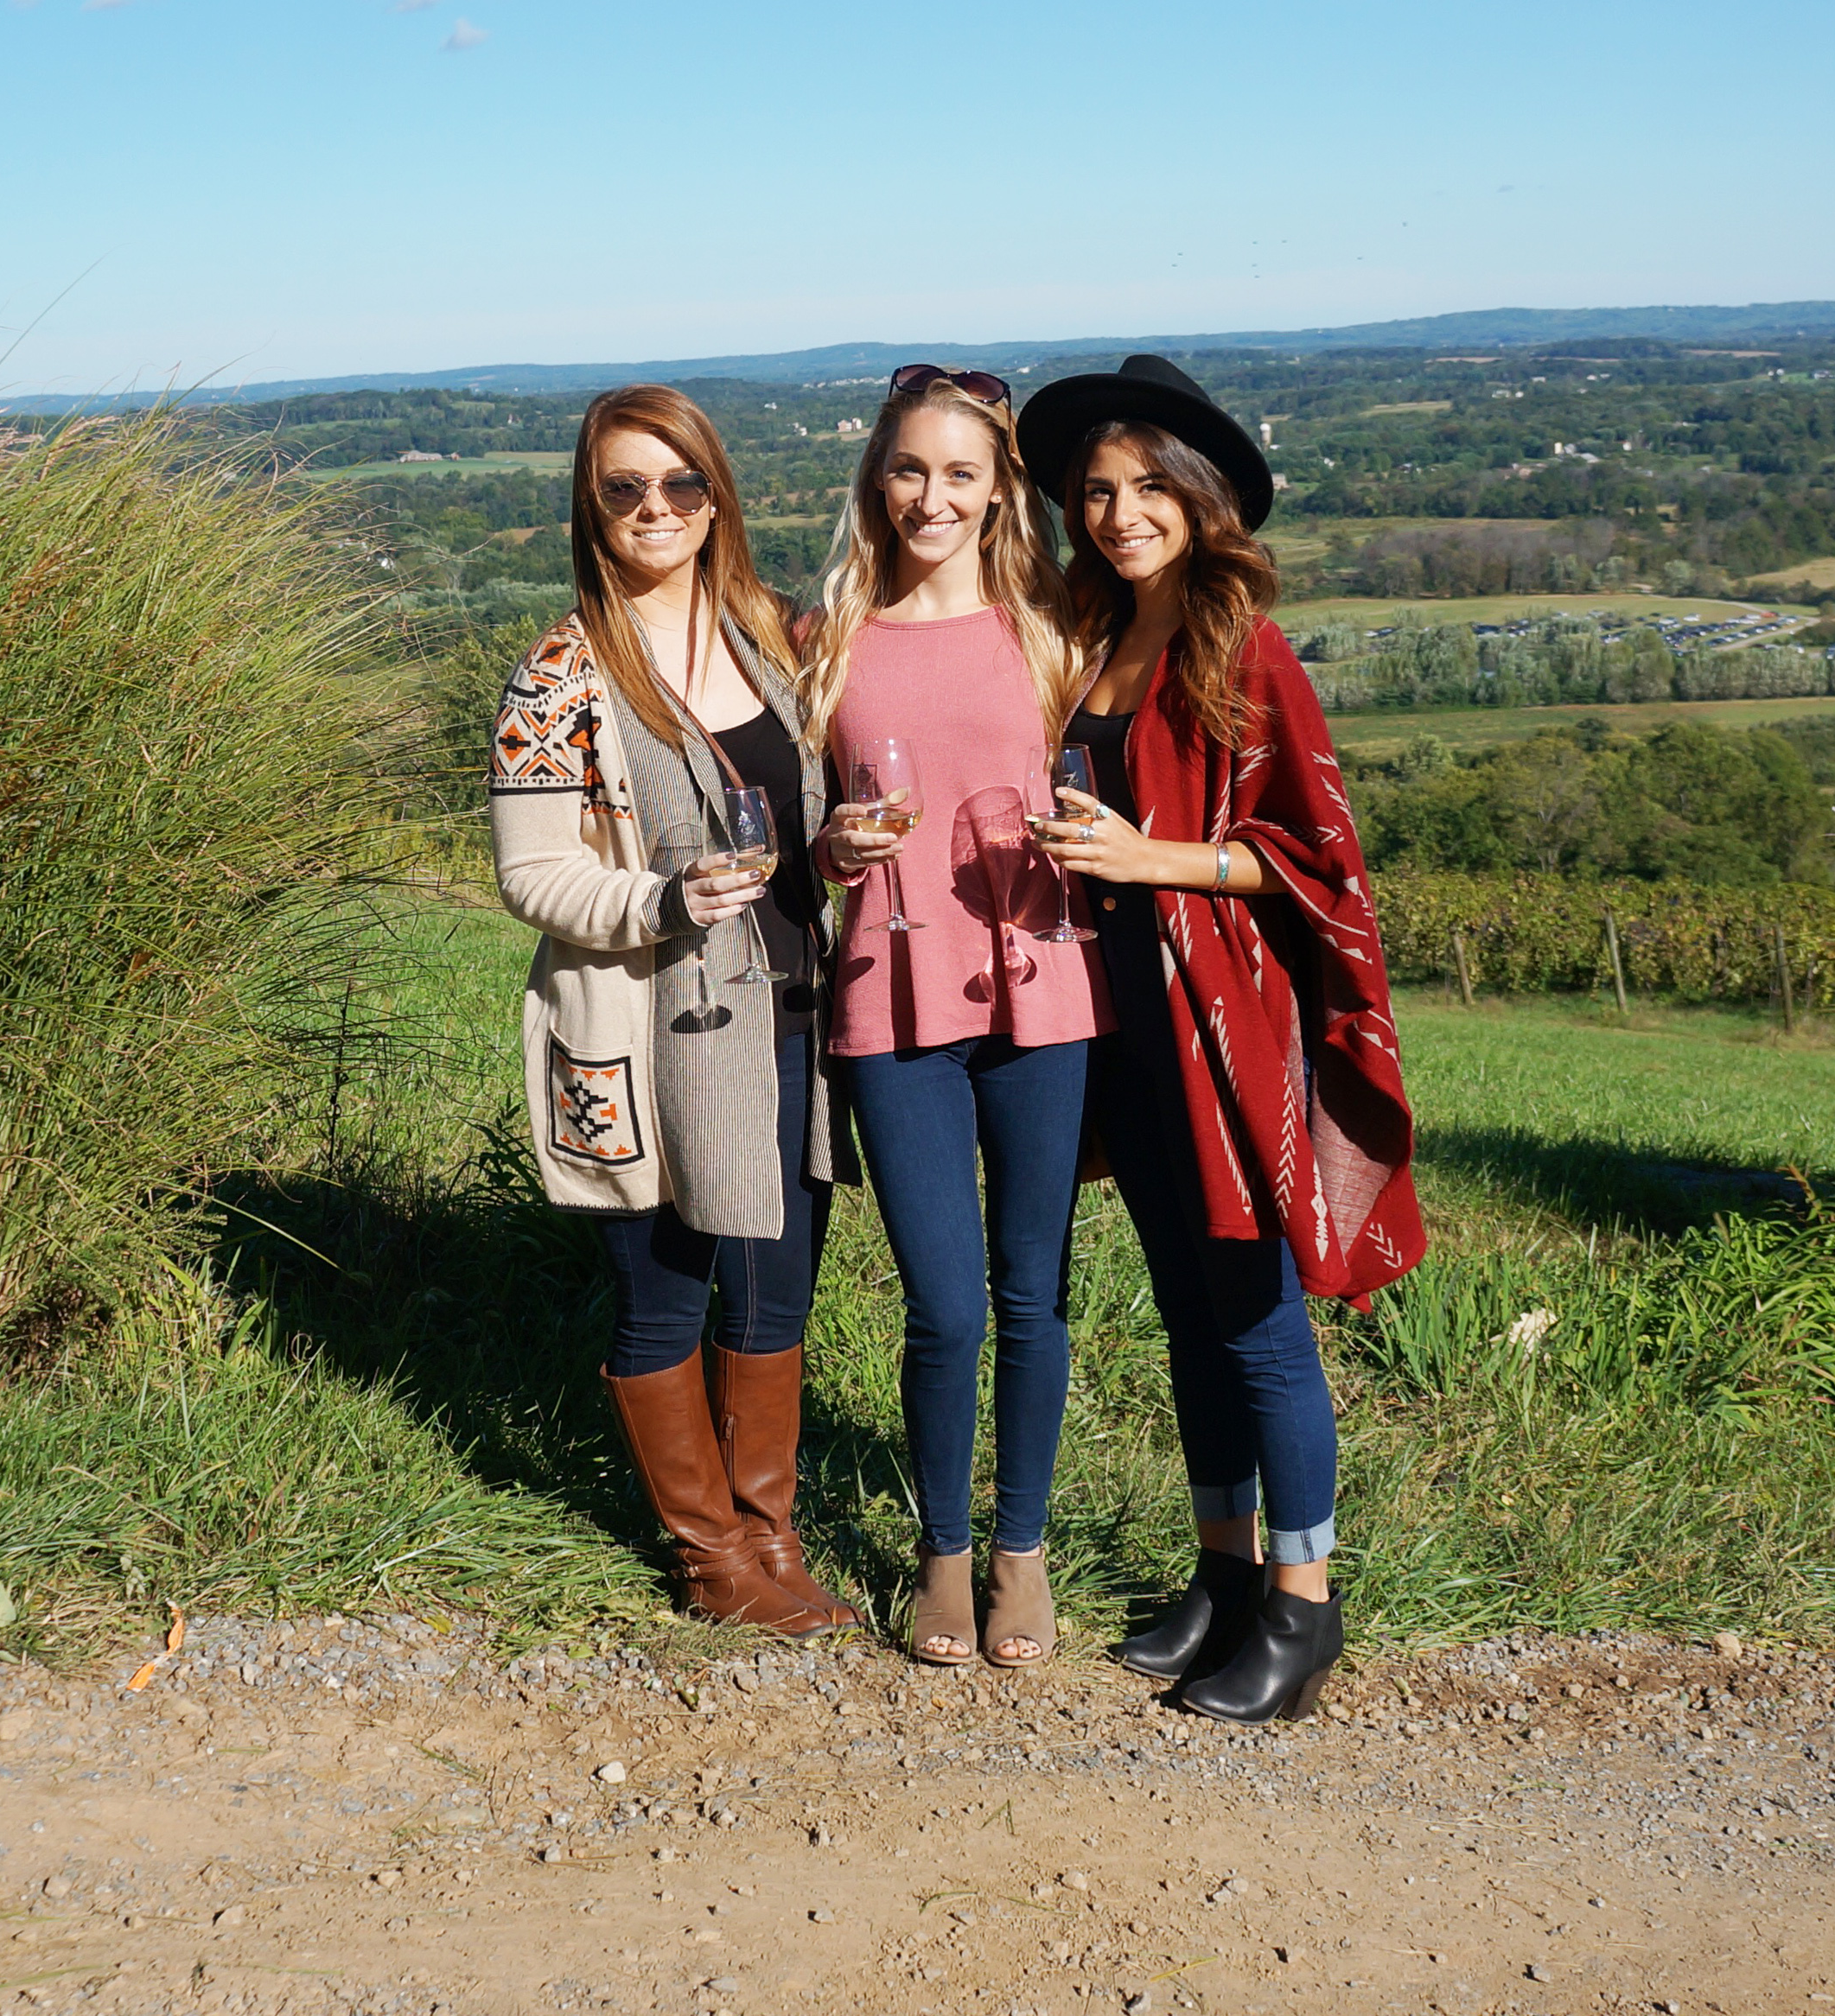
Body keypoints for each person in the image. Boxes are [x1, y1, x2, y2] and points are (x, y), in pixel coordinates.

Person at [1018, 353, 1425, 1723]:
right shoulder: (1087, 631)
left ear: (1198, 499)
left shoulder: (1237, 642)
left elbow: (1319, 860)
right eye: (1096, 491)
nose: (1120, 511)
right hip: (1118, 1024)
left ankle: (1306, 1608)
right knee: (1189, 1321)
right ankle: (1224, 1570)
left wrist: (1154, 859)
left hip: (1221, 1028)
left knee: (1258, 1328)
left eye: (1146, 488)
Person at [488, 385, 856, 1638]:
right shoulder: (561, 670)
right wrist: (662, 898)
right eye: (624, 489)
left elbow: (813, 806)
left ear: (716, 496)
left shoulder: (771, 633)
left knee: (778, 1291)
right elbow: (529, 871)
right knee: (664, 1298)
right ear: (591, 508)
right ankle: (708, 1558)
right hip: (649, 1030)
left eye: (679, 485)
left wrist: (844, 842)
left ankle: (769, 1533)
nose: (656, 509)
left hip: (790, 1012)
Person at [805, 366, 1102, 1669]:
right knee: (947, 1307)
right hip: (889, 996)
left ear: (998, 492)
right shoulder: (831, 638)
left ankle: (1020, 1550)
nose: (934, 494)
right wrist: (827, 846)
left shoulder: (1051, 630)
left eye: (962, 473)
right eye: (913, 469)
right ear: (881, 476)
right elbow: (804, 840)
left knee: (1032, 1297)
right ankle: (941, 1550)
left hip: (1041, 992)